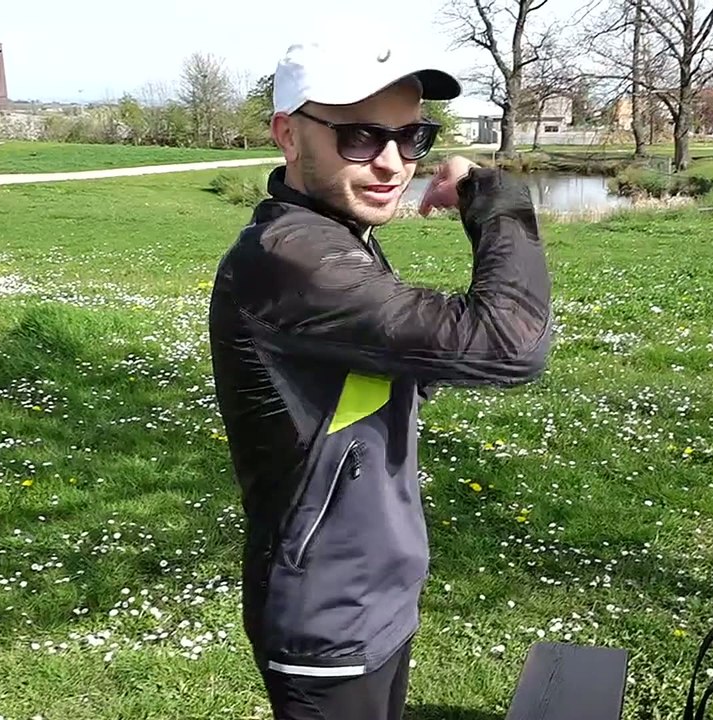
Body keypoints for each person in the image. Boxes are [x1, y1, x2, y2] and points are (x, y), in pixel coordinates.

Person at [207, 37, 552, 720]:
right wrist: (494, 195)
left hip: (377, 594)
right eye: (361, 136)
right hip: (326, 616)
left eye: (411, 136)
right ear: (288, 134)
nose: (392, 163)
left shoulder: (339, 235)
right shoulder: (288, 257)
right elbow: (511, 343)